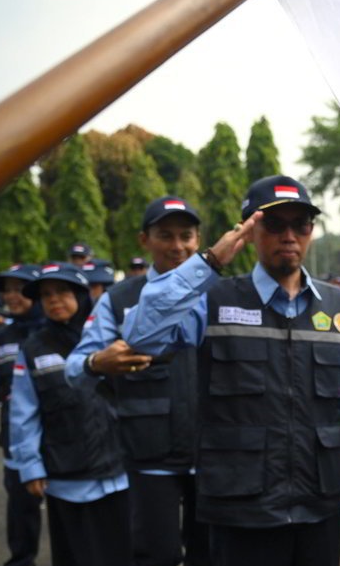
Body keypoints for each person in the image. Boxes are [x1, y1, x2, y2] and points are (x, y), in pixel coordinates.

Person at [121, 176, 340, 566]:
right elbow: (142, 334)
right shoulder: (214, 299)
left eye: (301, 224)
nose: (289, 235)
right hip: (241, 507)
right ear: (250, 232)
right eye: (274, 224)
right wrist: (209, 262)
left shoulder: (337, 307)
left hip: (317, 503)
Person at [66, 196, 210, 566]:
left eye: (186, 236)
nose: (177, 247)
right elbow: (74, 368)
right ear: (144, 240)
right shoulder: (118, 300)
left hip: (213, 457)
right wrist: (98, 362)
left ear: (199, 239)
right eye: (165, 235)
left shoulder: (219, 294)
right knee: (154, 557)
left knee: (211, 555)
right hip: (148, 459)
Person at [9, 262, 132, 566]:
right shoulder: (33, 348)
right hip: (68, 481)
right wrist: (30, 467)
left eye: (63, 292)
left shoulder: (110, 340)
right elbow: (23, 413)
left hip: (121, 473)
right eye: (46, 294)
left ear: (82, 295)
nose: (54, 300)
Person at [0, 264, 46, 566]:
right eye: (6, 290)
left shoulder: (58, 330)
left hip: (63, 438)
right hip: (16, 438)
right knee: (22, 511)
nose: (11, 296)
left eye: (19, 289)